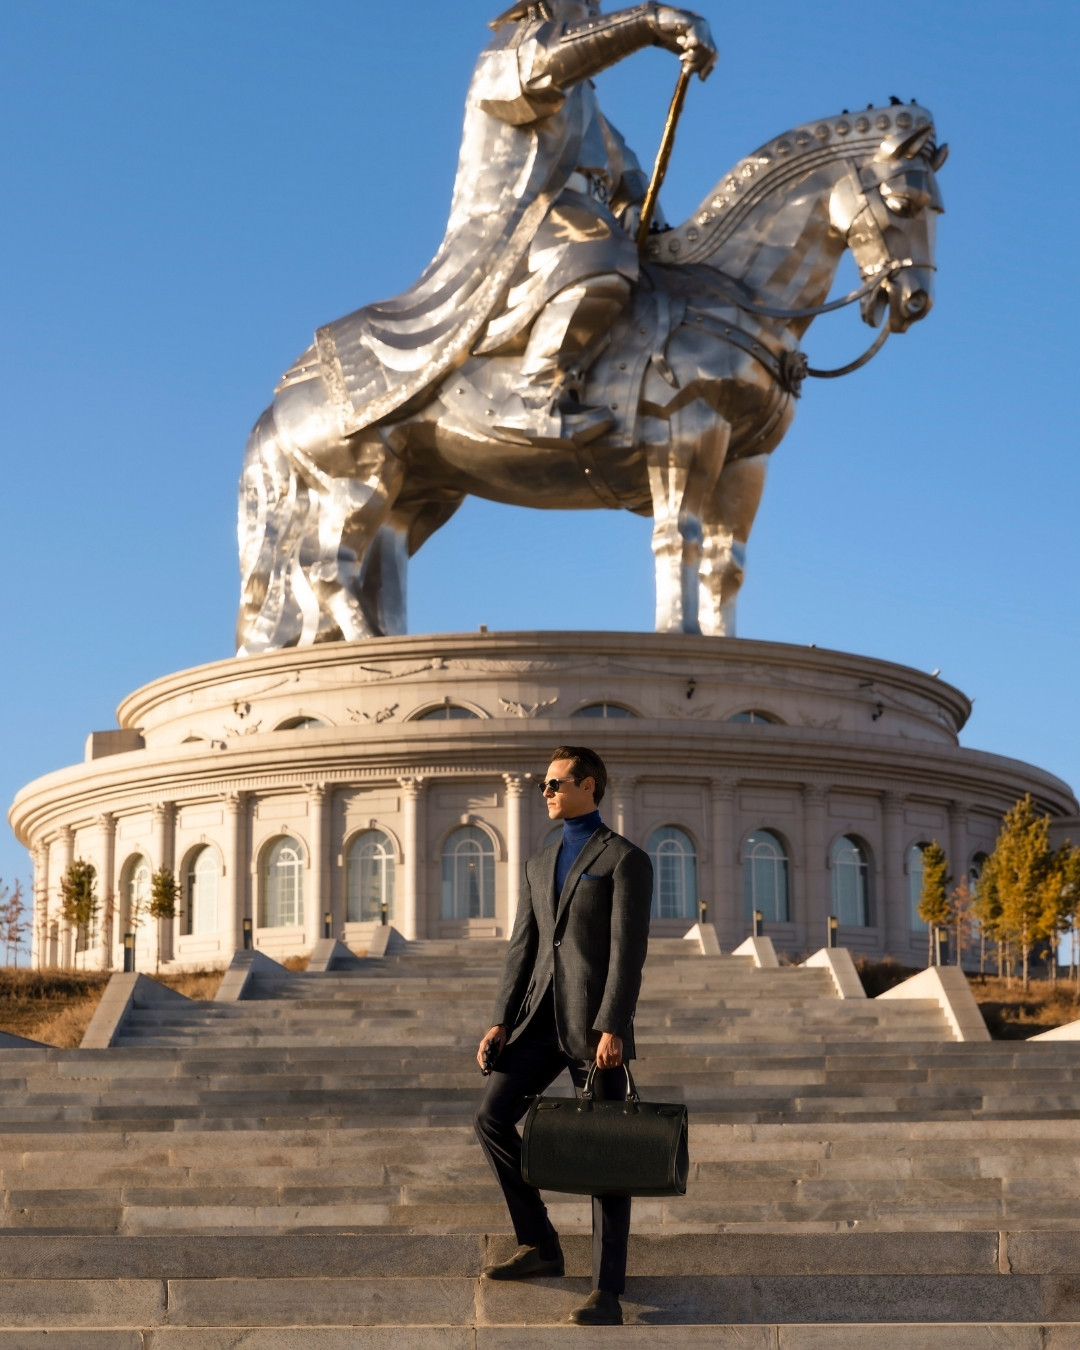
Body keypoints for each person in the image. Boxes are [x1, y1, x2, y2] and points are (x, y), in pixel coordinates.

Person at [305, 1, 717, 448]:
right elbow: (544, 68)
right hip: (527, 220)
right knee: (601, 254)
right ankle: (536, 395)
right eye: (582, 2)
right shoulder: (509, 51)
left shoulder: (587, 104)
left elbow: (622, 166)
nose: (590, 10)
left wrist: (642, 209)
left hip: (585, 213)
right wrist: (646, 22)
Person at [474, 745, 653, 1326]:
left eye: (555, 783)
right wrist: (501, 1019)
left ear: (589, 785)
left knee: (607, 1152)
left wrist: (613, 1025)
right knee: (492, 1117)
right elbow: (523, 946)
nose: (545, 792)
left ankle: (607, 1291)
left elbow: (628, 953)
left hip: (593, 1028)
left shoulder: (625, 859)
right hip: (536, 1022)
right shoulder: (540, 859)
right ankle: (540, 1244)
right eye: (543, 785)